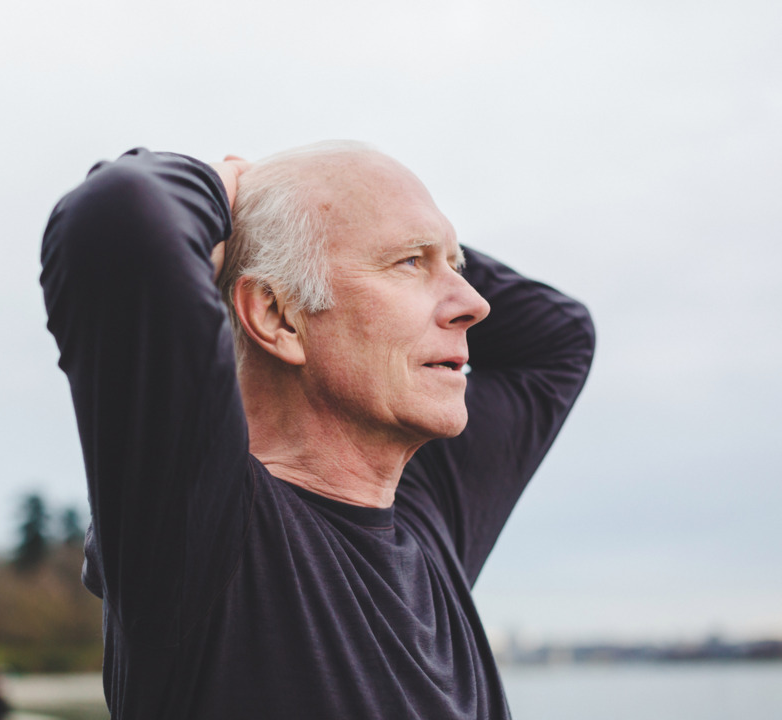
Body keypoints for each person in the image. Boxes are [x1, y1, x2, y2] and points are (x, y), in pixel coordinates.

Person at [39, 144, 594, 719]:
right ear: (278, 316)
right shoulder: (205, 531)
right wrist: (237, 188)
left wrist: (329, 209)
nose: (475, 303)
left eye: (455, 267)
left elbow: (559, 339)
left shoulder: (427, 519)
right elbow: (120, 218)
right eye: (410, 262)